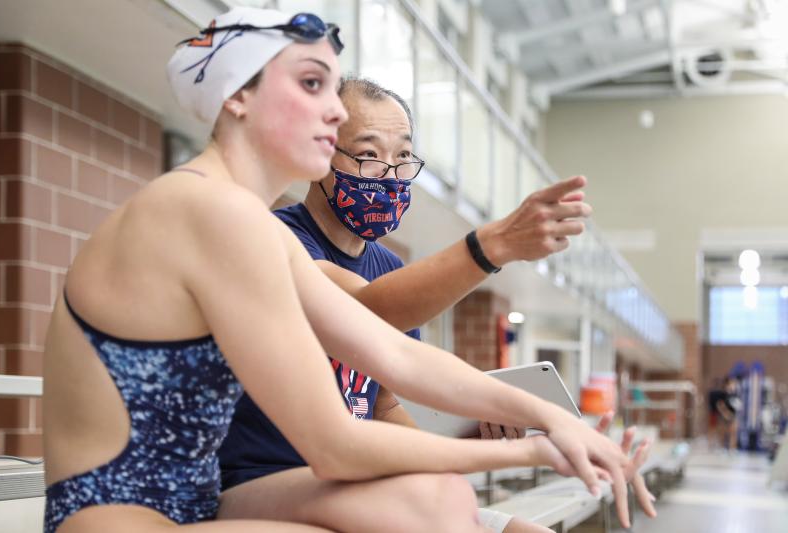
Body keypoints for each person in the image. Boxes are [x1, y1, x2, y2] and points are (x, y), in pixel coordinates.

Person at [43, 7, 635, 533]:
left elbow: (394, 354)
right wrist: (538, 452)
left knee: (437, 502)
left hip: (205, 506)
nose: (332, 110)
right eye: (311, 84)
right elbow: (336, 445)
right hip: (119, 518)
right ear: (236, 98)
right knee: (429, 506)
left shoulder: (248, 222)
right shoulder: (208, 209)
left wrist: (550, 417)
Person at [217, 76, 656, 533]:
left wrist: (487, 428)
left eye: (403, 157)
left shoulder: (387, 265)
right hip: (266, 479)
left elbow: (382, 403)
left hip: (352, 479)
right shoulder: (276, 238)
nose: (389, 173)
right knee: (441, 505)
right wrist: (493, 245)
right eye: (369, 156)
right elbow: (366, 313)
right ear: (320, 155)